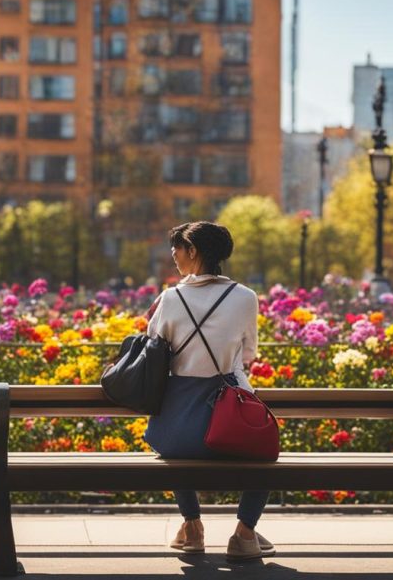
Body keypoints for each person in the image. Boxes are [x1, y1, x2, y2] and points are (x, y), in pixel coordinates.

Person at [143, 221, 274, 561]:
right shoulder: (245, 298)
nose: (173, 254)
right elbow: (247, 356)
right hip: (229, 421)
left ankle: (192, 527)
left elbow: (153, 347)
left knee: (172, 449)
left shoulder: (170, 298)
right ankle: (244, 533)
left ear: (193, 251)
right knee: (266, 452)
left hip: (178, 425)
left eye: (177, 247)